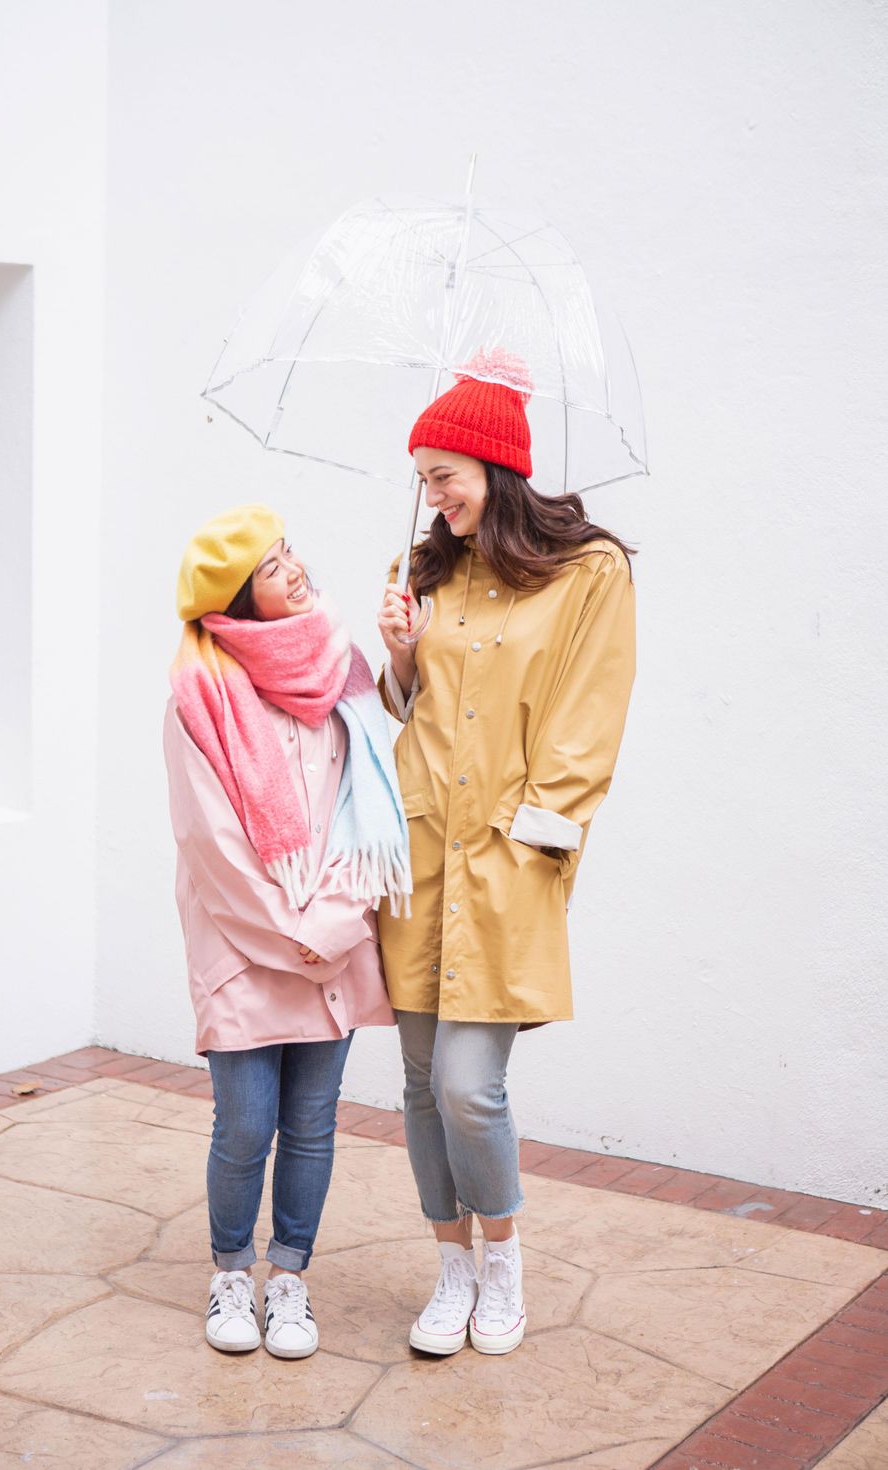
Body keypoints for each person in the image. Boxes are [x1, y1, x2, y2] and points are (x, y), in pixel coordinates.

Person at [376, 350, 636, 1357]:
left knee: (464, 1085)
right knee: (411, 1081)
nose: (428, 493)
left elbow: (587, 723)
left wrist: (535, 848)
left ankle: (502, 1263)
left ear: (494, 469)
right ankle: (450, 1267)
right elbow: (396, 718)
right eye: (421, 476)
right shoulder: (421, 573)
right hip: (415, 857)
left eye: (442, 472)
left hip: (502, 864)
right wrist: (397, 658)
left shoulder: (587, 573)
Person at [165, 503, 409, 1361]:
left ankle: (291, 1278)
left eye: (289, 551)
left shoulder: (342, 669)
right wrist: (295, 933)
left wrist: (336, 925)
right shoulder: (199, 693)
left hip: (334, 937)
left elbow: (366, 807)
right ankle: (232, 1270)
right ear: (234, 599)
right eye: (270, 565)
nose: (294, 568)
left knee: (312, 1122)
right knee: (244, 1123)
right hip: (246, 942)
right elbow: (213, 845)